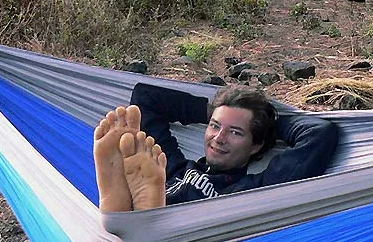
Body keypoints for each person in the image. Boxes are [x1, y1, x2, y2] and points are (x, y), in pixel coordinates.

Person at [93, 81, 339, 212]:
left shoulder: (256, 189)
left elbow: (319, 134)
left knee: (142, 211)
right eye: (214, 126)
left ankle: (139, 214)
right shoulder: (168, 167)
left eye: (235, 132)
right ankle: (125, 208)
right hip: (154, 197)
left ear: (256, 145)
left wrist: (265, 120)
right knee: (147, 182)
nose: (218, 138)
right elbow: (145, 97)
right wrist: (216, 110)